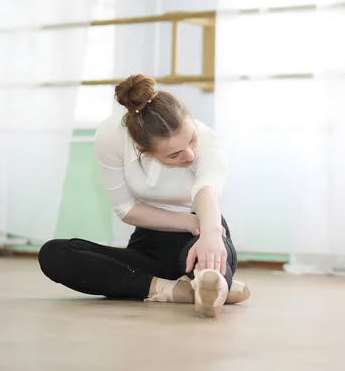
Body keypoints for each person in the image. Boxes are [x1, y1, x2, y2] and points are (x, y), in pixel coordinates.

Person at [38, 74, 249, 318]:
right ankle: (179, 291)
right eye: (174, 154)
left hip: (202, 230)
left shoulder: (210, 140)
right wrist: (188, 222)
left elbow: (206, 191)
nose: (190, 155)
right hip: (150, 244)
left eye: (191, 139)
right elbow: (125, 209)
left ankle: (211, 284)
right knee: (55, 254)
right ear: (142, 150)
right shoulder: (111, 135)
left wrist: (209, 232)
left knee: (210, 266)